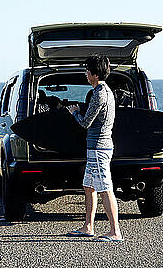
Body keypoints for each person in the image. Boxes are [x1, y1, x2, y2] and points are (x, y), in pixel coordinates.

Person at [65, 55, 123, 242]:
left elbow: (85, 123)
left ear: (95, 74)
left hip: (99, 148)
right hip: (97, 148)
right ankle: (88, 226)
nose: (85, 74)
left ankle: (115, 232)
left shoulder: (99, 94)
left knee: (105, 188)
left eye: (87, 71)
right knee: (88, 186)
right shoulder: (107, 91)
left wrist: (75, 113)